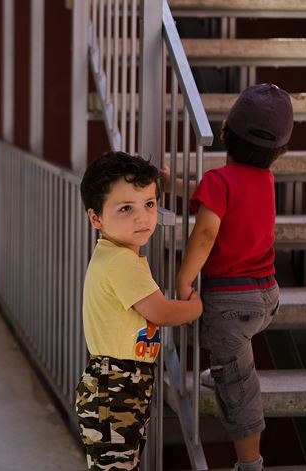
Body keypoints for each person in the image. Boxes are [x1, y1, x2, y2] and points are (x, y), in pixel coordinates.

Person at [177, 83, 293, 471]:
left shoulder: (219, 181)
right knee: (228, 350)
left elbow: (207, 232)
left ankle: (250, 465)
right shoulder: (265, 181)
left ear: (225, 131)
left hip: (231, 305)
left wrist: (183, 278)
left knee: (240, 390)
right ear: (280, 150)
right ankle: (221, 368)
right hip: (267, 296)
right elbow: (224, 203)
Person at [76, 151, 203, 470]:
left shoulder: (115, 255)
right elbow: (160, 311)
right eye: (125, 208)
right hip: (114, 386)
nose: (142, 217)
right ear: (96, 218)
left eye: (149, 204)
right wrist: (194, 308)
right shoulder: (120, 262)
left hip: (119, 383)